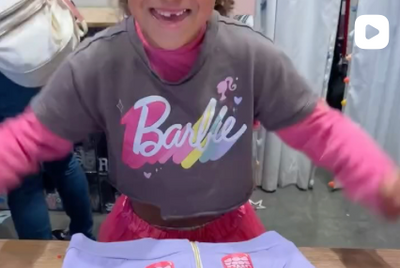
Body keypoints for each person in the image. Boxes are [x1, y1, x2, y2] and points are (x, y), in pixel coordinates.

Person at [0, 0, 399, 244]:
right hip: (135, 237)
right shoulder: (99, 61)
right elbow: (29, 137)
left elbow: (317, 127)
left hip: (232, 236)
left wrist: (377, 176)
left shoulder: (251, 55)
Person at [0, 72, 93, 240]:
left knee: (25, 182)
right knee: (63, 160)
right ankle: (84, 236)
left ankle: (41, 251)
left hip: (11, 74)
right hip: (50, 66)